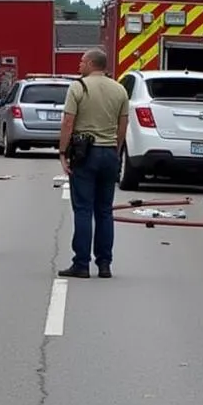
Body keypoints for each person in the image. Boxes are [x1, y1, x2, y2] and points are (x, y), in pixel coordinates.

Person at [57, 48, 129, 279]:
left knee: (83, 209)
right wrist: (115, 150)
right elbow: (123, 124)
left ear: (90, 63)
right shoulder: (119, 89)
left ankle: (81, 263)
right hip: (109, 153)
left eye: (81, 62)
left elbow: (68, 122)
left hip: (85, 154)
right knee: (104, 211)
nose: (79, 65)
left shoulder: (78, 87)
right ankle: (105, 263)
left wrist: (62, 152)